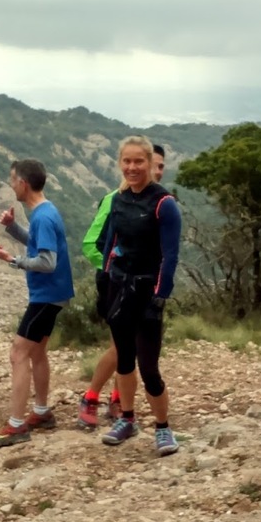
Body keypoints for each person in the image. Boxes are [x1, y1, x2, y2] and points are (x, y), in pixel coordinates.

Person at [98, 136, 182, 456]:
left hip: (148, 291)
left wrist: (160, 297)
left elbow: (170, 256)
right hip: (120, 287)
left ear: (149, 162)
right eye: (127, 161)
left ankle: (163, 427)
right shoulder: (118, 199)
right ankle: (128, 419)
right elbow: (110, 244)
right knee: (123, 359)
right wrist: (105, 283)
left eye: (138, 161)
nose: (132, 167)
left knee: (148, 367)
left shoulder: (164, 203)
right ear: (120, 163)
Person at [0, 159, 75, 448]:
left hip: (46, 295)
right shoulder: (44, 212)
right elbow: (38, 243)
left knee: (18, 353)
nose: (11, 185)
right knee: (37, 351)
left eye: (13, 180)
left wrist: (13, 260)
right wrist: (12, 227)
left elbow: (47, 262)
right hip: (53, 293)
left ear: (23, 183)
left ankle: (16, 425)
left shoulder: (42, 217)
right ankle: (41, 412)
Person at [77, 144, 167, 429]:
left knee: (129, 348)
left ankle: (118, 401)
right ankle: (91, 398)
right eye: (155, 165)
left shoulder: (158, 202)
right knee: (120, 347)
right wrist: (112, 267)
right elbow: (90, 244)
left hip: (141, 284)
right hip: (114, 282)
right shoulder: (114, 199)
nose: (157, 171)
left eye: (161, 166)